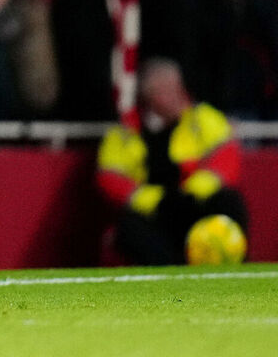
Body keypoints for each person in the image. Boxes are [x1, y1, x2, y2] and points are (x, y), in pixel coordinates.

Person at [97, 58, 246, 265]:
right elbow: (110, 178)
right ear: (148, 96)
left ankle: (234, 269)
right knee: (128, 228)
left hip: (196, 203)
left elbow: (226, 158)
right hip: (155, 213)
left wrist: (192, 190)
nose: (177, 96)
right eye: (166, 91)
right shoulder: (125, 132)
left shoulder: (201, 119)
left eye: (177, 88)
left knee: (229, 202)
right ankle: (173, 275)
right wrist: (156, 200)